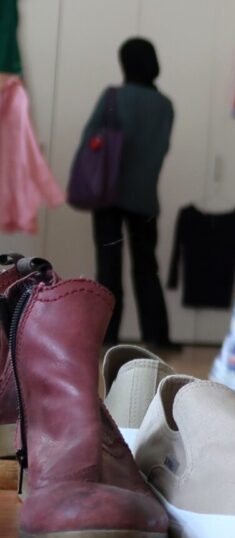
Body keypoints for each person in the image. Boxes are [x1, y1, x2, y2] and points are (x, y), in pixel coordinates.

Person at [85, 37, 174, 348]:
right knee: (147, 268)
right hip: (145, 196)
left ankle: (108, 337)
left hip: (108, 194)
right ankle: (157, 336)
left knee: (109, 268)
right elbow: (161, 149)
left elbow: (90, 141)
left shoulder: (114, 96)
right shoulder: (165, 105)